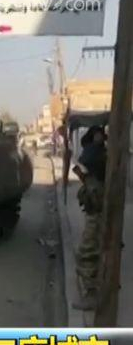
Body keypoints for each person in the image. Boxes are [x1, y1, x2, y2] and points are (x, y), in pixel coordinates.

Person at [71, 125, 107, 310]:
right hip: (97, 211)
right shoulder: (98, 155)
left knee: (87, 254)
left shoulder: (96, 156)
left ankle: (92, 295)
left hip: (97, 214)